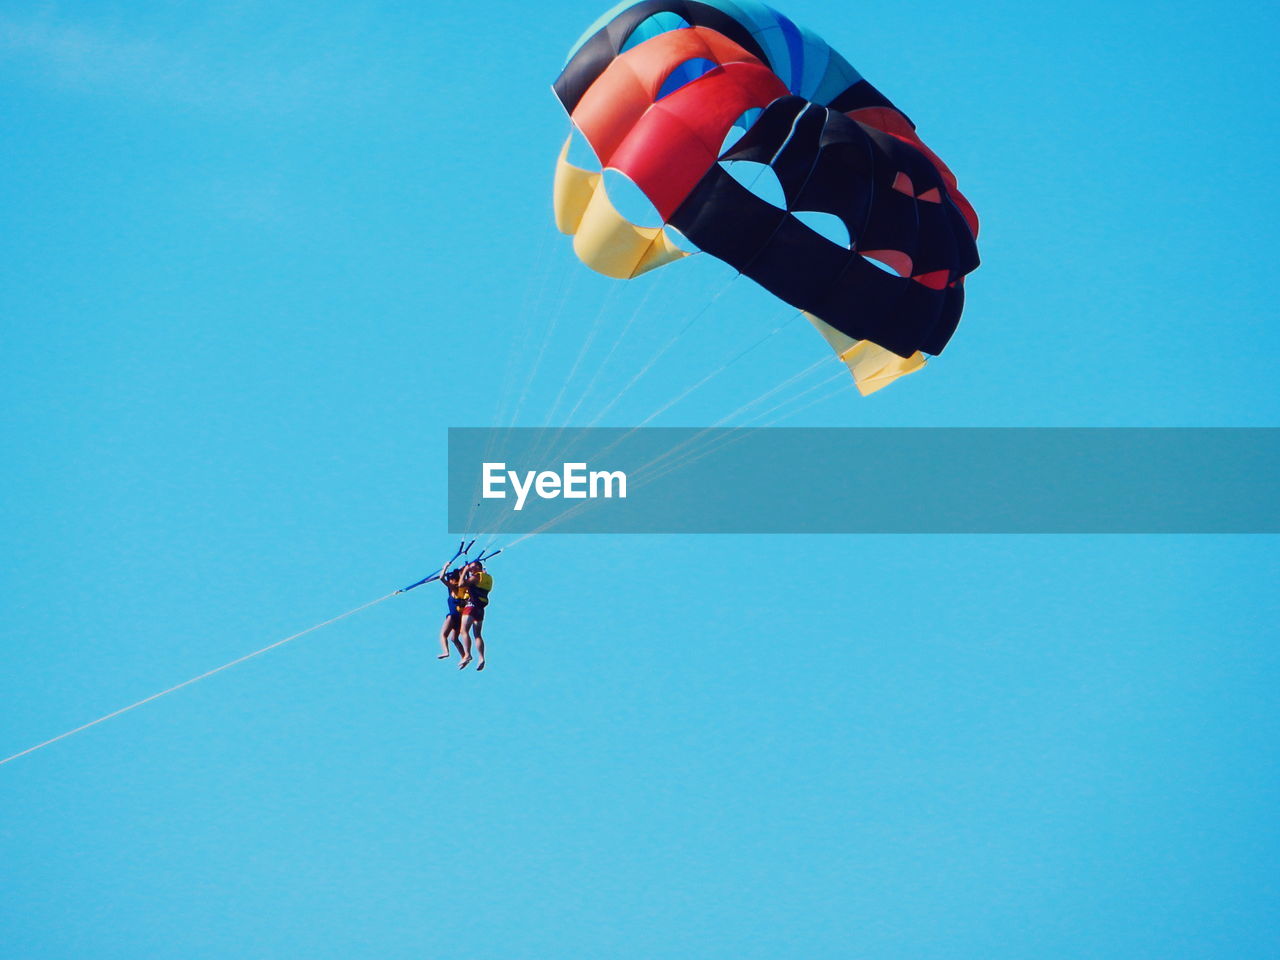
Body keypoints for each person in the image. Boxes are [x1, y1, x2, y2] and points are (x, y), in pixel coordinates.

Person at [457, 560, 493, 671]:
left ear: (478, 567)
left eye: (472, 568)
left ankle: (467, 654)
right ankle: (481, 657)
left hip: (471, 606)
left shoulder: (477, 576)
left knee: (464, 631)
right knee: (477, 634)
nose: (471, 570)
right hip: (480, 608)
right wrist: (463, 572)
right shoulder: (488, 577)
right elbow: (471, 584)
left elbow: (461, 584)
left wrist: (464, 572)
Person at [437, 562, 466, 660]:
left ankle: (446, 651)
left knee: (443, 634)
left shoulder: (454, 588)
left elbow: (441, 578)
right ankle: (464, 657)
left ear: (453, 580)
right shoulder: (463, 588)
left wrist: (445, 567)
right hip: (460, 618)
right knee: (454, 638)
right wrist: (463, 571)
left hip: (453, 616)